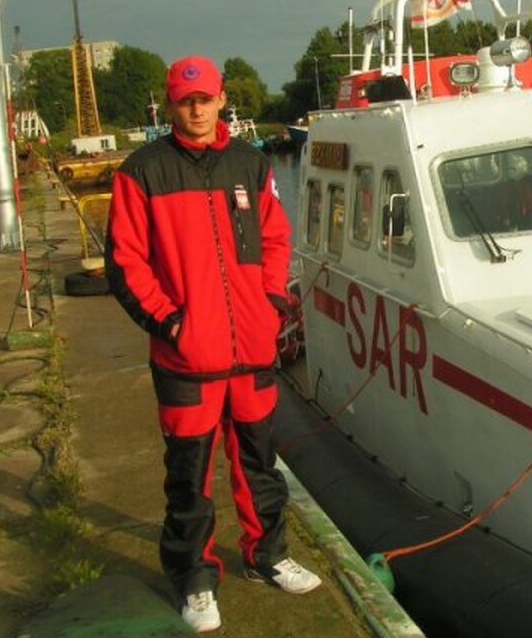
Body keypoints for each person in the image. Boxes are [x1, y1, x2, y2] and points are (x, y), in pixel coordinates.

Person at [105, 55, 320, 634]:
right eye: (185, 101)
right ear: (170, 105)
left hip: (251, 349)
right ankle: (194, 578)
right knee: (188, 477)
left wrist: (270, 302)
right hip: (187, 359)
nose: (197, 110)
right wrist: (170, 322)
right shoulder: (141, 172)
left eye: (205, 99)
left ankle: (267, 555)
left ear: (221, 99)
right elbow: (125, 262)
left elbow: (275, 237)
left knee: (259, 464)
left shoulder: (250, 163)